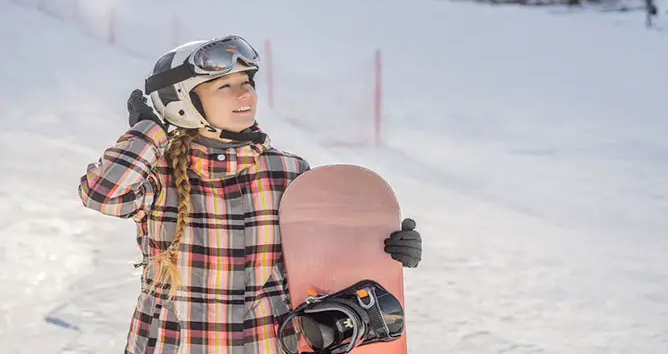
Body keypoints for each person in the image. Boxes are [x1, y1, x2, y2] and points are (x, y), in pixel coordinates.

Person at [77, 35, 422, 354]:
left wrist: (382, 248)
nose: (245, 94)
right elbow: (101, 194)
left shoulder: (287, 172)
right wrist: (149, 130)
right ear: (181, 101)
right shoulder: (158, 172)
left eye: (246, 83)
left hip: (267, 344)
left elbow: (322, 261)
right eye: (224, 86)